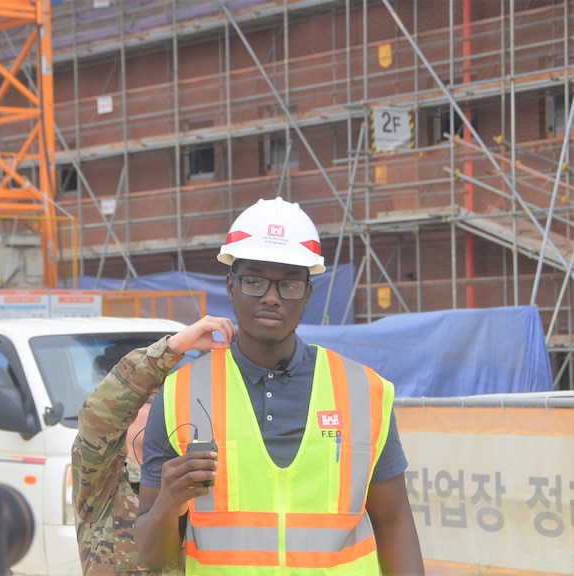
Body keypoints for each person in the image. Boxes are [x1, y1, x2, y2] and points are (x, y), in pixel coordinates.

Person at [134, 197, 425, 575]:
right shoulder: (181, 395)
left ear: (307, 292)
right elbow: (151, 557)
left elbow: (395, 524)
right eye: (254, 280)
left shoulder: (363, 391)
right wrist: (167, 506)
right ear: (231, 285)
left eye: (288, 283)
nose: (271, 297)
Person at [71, 316, 236, 575]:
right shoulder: (104, 483)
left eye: (166, 401)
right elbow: (99, 415)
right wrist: (172, 348)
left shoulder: (206, 473)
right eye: (149, 401)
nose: (161, 412)